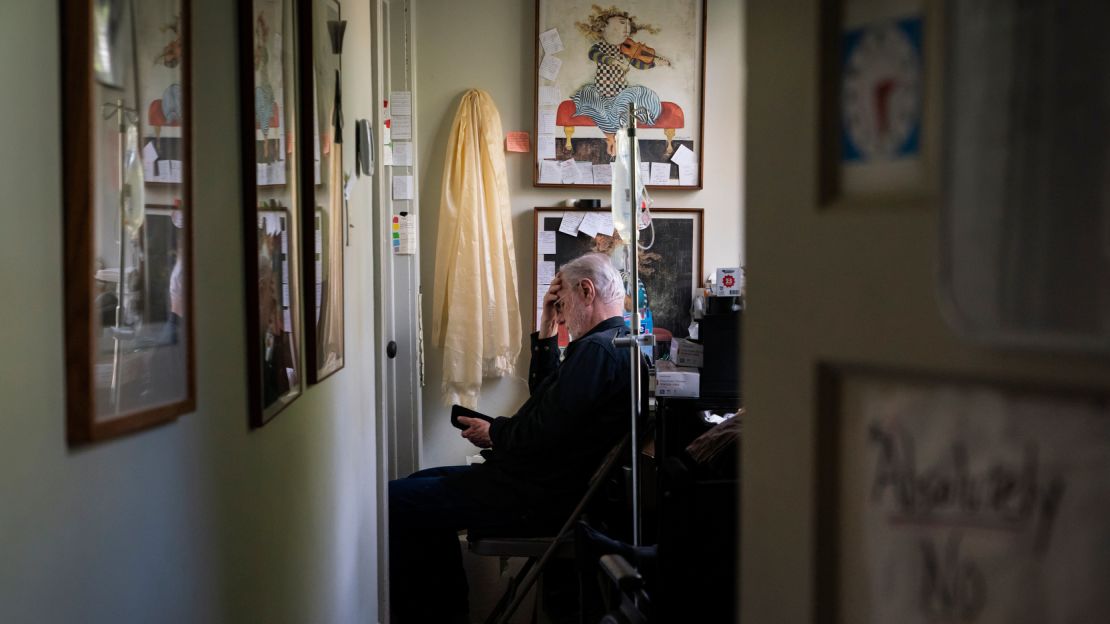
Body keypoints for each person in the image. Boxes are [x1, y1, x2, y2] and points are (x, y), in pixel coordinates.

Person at [389, 253, 634, 623]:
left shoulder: (596, 351)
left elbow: (541, 430)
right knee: (416, 487)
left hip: (531, 493)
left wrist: (496, 433)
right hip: (536, 484)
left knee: (392, 502)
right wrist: (547, 329)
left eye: (562, 302)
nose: (562, 313)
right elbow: (547, 406)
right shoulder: (610, 344)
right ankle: (446, 612)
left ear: (586, 291)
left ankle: (438, 614)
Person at [571, 6, 670, 156]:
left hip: (621, 92)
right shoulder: (599, 47)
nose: (626, 29)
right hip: (602, 92)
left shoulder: (625, 49)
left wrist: (656, 63)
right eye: (621, 24)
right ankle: (611, 139)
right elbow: (595, 55)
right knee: (593, 100)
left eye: (628, 26)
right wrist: (614, 62)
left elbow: (638, 64)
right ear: (603, 27)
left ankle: (616, 138)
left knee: (639, 97)